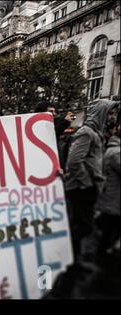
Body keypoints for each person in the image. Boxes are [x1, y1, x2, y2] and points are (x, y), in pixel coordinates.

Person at [65, 99, 119, 260]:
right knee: (83, 225)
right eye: (110, 113)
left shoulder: (95, 133)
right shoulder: (86, 132)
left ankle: (74, 258)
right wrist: (86, 183)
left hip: (86, 187)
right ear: (101, 113)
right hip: (80, 188)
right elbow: (74, 161)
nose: (113, 117)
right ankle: (71, 258)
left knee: (83, 224)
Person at [95, 110, 120, 256]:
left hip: (111, 198)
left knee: (109, 226)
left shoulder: (113, 150)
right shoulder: (116, 152)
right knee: (110, 227)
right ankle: (103, 254)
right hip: (113, 198)